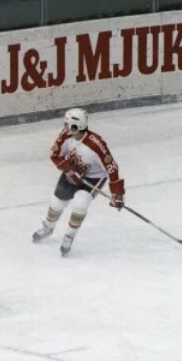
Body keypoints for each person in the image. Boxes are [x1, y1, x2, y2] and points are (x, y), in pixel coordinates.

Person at [32, 107, 125, 256]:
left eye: (68, 125)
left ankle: (69, 236)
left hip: (93, 178)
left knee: (81, 202)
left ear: (77, 126)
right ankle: (48, 227)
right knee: (57, 203)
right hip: (72, 170)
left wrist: (117, 193)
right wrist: (68, 169)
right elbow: (54, 154)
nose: (65, 127)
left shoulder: (96, 144)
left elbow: (112, 168)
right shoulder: (65, 135)